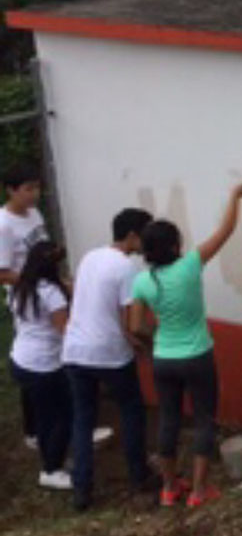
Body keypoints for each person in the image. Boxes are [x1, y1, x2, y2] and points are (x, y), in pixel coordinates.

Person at [130, 180, 242, 508]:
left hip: (163, 359)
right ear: (174, 246)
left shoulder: (142, 280)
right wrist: (234, 196)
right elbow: (225, 230)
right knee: (203, 419)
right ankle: (199, 491)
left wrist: (155, 340)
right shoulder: (190, 265)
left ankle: (170, 488)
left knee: (168, 420)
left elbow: (136, 326)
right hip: (198, 356)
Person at [64, 208, 155, 511]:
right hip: (110, 354)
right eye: (146, 235)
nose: (147, 242)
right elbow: (134, 323)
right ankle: (138, 476)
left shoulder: (91, 256)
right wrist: (149, 345)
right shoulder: (127, 269)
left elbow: (94, 303)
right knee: (131, 412)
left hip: (75, 349)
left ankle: (82, 489)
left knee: (83, 418)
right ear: (132, 236)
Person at [7, 241, 72, 490]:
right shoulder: (51, 293)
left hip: (21, 359)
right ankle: (51, 469)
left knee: (44, 417)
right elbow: (64, 329)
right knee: (60, 417)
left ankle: (50, 457)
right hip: (45, 365)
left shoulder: (20, 288)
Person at [0, 162, 49, 450]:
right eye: (28, 189)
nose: (34, 195)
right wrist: (34, 279)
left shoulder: (35, 214)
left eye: (37, 188)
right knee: (33, 359)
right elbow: (2, 272)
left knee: (51, 356)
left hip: (45, 292)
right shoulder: (4, 225)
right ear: (11, 190)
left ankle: (55, 412)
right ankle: (33, 430)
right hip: (25, 299)